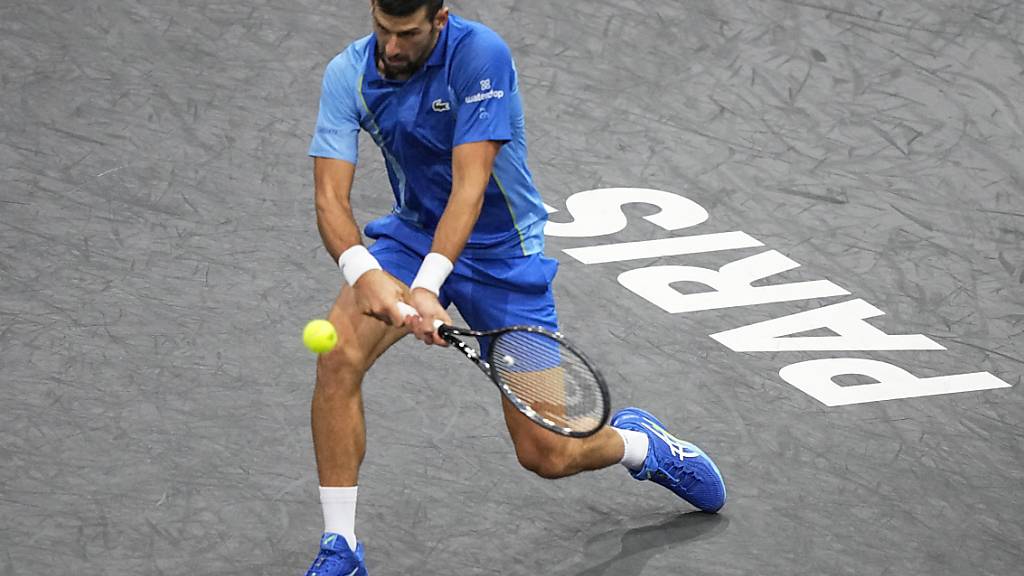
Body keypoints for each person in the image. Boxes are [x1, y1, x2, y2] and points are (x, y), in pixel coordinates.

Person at [304, 1, 727, 573]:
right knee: (337, 359)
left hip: (502, 251)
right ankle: (341, 546)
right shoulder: (349, 73)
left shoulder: (480, 57)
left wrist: (425, 288)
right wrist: (364, 273)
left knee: (548, 453)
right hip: (412, 236)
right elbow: (329, 197)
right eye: (382, 29)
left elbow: (470, 188)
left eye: (407, 34)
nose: (392, 47)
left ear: (440, 19)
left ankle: (640, 445)